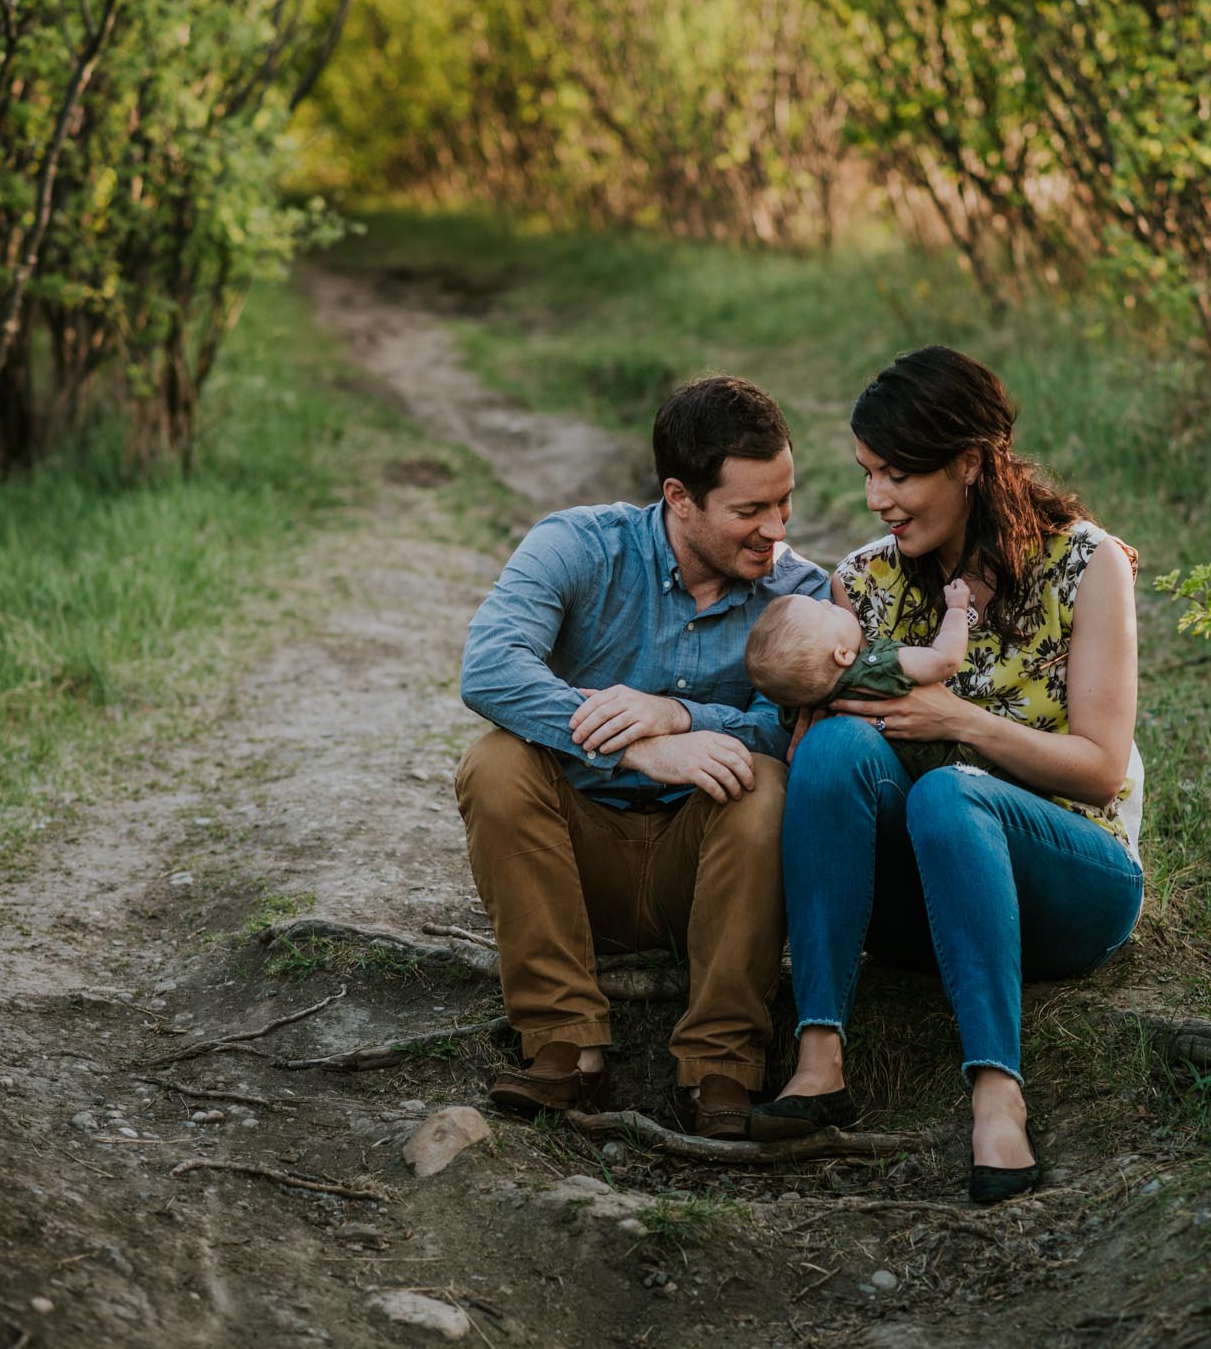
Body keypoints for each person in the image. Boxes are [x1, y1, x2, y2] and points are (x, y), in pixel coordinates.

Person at [747, 346, 1144, 1204]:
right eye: (867, 473)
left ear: (968, 460)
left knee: (950, 789)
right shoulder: (864, 579)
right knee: (834, 746)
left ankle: (998, 1098)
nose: (877, 497)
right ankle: (820, 1058)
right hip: (918, 901)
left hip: (1074, 885)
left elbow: (1102, 771)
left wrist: (961, 722)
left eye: (898, 472)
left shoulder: (1087, 565)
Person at [454, 374, 827, 1139]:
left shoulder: (801, 592)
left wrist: (684, 712)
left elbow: (789, 722)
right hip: (576, 858)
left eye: (784, 501)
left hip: (709, 871)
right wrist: (643, 745)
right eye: (749, 510)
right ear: (679, 498)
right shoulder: (578, 545)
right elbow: (490, 667)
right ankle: (565, 1045)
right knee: (494, 762)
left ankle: (720, 1065)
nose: (775, 528)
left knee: (769, 785)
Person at [743, 578, 973, 779]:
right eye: (828, 610)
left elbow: (794, 754)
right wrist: (957, 609)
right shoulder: (876, 668)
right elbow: (946, 660)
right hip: (953, 764)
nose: (826, 601)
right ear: (843, 654)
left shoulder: (799, 710)